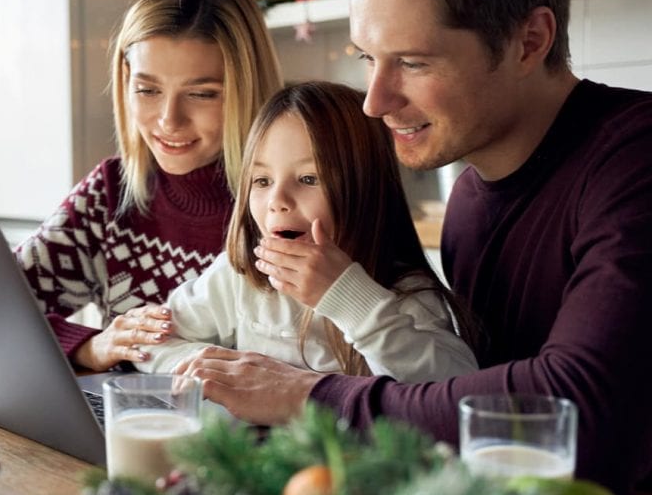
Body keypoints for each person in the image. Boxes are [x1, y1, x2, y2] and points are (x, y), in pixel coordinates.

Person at [176, 0, 652, 495]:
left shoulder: (651, 157)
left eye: (412, 62)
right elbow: (457, 396)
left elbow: (587, 420)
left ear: (530, 41)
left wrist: (307, 396)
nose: (375, 102)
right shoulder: (469, 200)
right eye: (367, 59)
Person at [16, 0, 283, 373]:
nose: (168, 120)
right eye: (147, 90)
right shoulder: (111, 191)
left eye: (202, 93)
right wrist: (89, 346)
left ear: (248, 88)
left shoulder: (290, 203)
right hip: (127, 430)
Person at [139, 81, 476, 381]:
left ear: (367, 191)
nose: (277, 201)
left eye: (308, 179)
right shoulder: (242, 276)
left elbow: (455, 389)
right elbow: (152, 342)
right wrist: (222, 369)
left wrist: (350, 299)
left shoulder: (406, 294)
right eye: (262, 181)